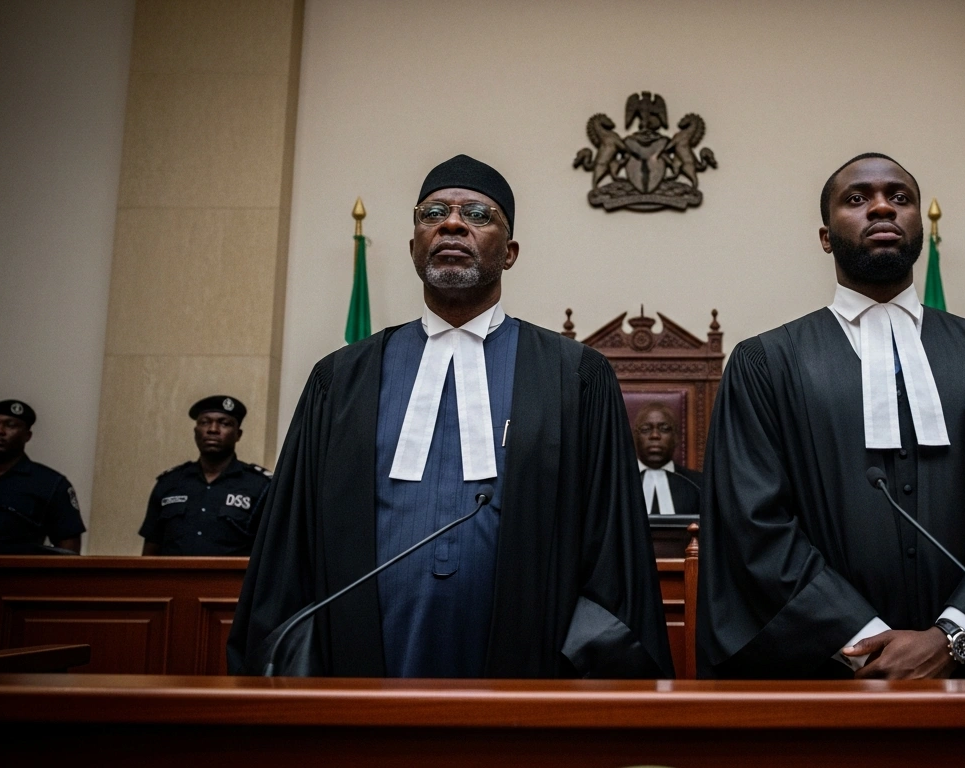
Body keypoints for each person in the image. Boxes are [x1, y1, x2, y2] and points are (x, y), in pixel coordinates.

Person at [229, 155, 671, 679]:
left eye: (478, 215)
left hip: (528, 667)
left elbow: (612, 553)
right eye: (433, 212)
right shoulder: (341, 380)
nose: (452, 223)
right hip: (361, 666)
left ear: (509, 254)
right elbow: (289, 551)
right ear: (414, 244)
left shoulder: (573, 377)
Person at [698, 153, 965, 680]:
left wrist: (954, 637)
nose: (882, 206)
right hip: (823, 677)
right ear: (825, 236)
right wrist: (860, 643)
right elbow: (753, 523)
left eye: (900, 198)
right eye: (857, 199)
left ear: (918, 225)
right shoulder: (765, 364)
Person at [139, 396, 271, 556]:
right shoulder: (169, 483)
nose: (213, 429)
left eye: (224, 423)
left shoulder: (260, 486)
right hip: (173, 580)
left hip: (234, 580)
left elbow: (272, 550)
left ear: (238, 434)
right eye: (205, 422)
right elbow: (151, 550)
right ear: (195, 432)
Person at [0, 400, 84, 554]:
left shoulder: (51, 484)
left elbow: (68, 550)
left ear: (27, 436)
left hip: (19, 577)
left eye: (10, 425)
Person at [633, 401, 702, 516]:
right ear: (635, 438)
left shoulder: (698, 484)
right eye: (646, 429)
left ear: (676, 438)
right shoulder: (615, 484)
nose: (655, 435)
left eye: (664, 429)